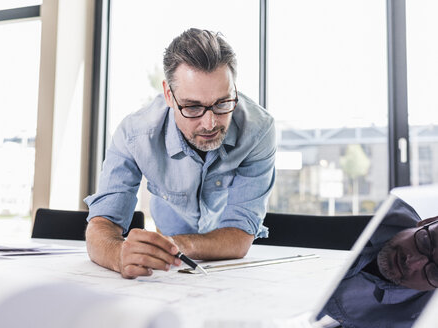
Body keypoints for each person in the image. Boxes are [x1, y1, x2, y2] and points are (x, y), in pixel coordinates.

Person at [84, 28, 276, 279]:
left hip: (227, 265)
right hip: (168, 271)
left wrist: (169, 247)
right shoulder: (135, 135)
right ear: (168, 95)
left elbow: (239, 237)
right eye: (193, 107)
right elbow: (102, 226)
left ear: (234, 91)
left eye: (222, 104)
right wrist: (119, 254)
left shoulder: (259, 130)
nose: (210, 124)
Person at [320, 198, 437, 328]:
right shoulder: (377, 207)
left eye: (435, 273)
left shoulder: (417, 321)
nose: (411, 262)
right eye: (426, 242)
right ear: (429, 221)